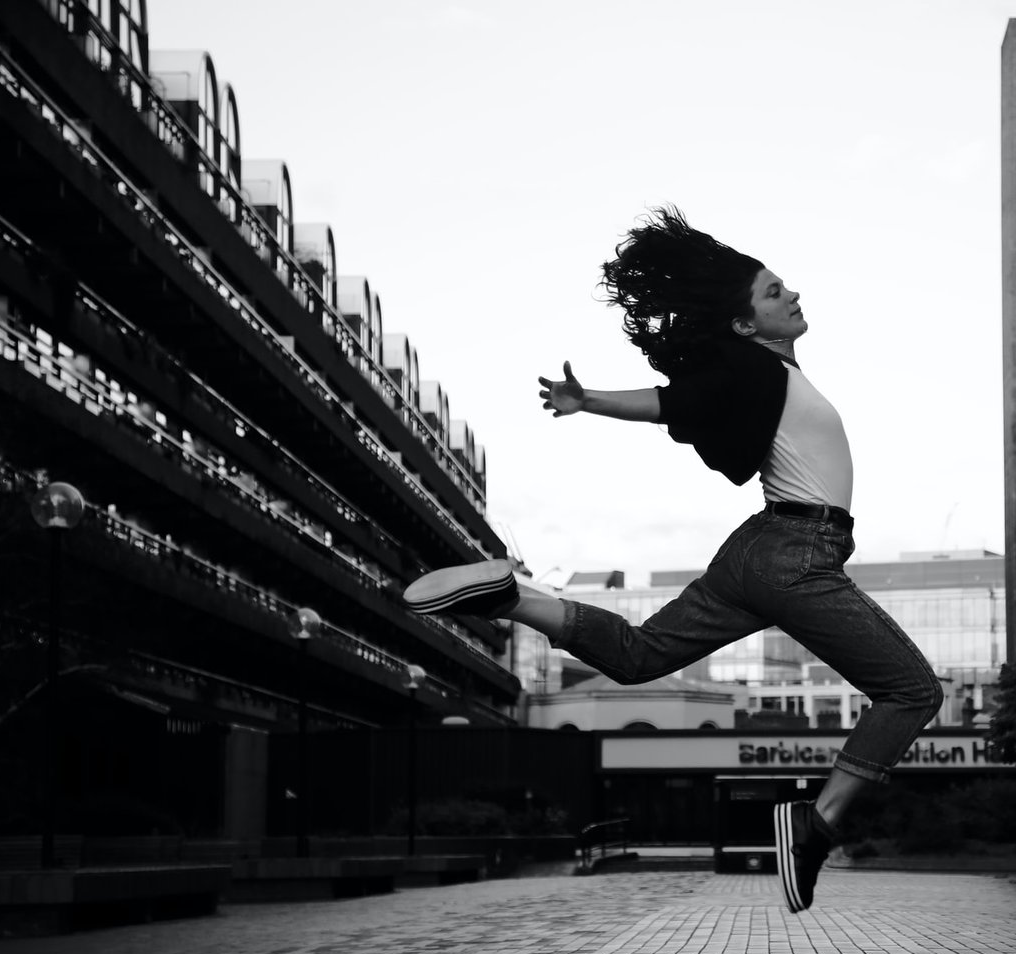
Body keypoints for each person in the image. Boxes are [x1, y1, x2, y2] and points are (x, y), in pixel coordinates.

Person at [401, 206, 942, 913]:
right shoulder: (757, 369)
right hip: (795, 553)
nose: (793, 294)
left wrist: (589, 399)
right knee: (912, 691)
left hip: (760, 551)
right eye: (775, 291)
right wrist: (590, 399)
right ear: (745, 324)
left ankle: (514, 598)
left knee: (637, 655)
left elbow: (690, 400)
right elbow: (675, 401)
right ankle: (816, 824)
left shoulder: (771, 371)